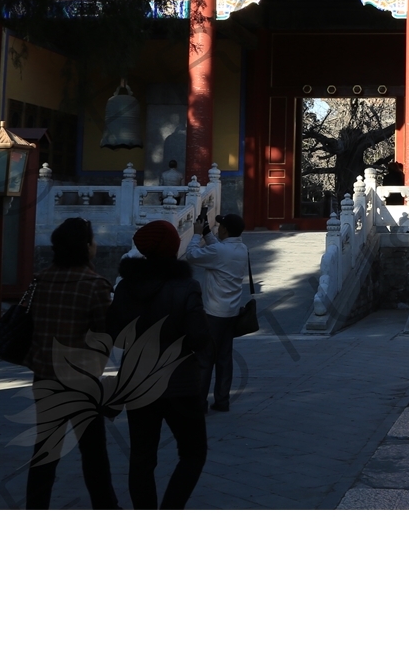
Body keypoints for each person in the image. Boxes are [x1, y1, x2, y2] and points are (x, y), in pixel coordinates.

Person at [105, 218, 208, 508]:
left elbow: (114, 334)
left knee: (141, 458)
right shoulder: (186, 287)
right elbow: (198, 336)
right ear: (173, 247)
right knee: (193, 453)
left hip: (138, 384)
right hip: (180, 383)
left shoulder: (126, 287)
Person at [24, 217, 118, 510]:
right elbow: (107, 333)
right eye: (92, 239)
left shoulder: (39, 280)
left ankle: (35, 508)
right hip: (81, 381)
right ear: (85, 247)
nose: (96, 244)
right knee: (94, 455)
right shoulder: (94, 285)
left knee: (45, 450)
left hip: (45, 377)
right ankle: (106, 508)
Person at [187, 211, 250, 412]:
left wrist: (197, 234)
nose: (218, 228)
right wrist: (206, 232)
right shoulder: (241, 248)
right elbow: (218, 249)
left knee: (205, 360)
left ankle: (199, 403)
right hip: (231, 312)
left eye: (219, 226)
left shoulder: (221, 252)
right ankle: (222, 400)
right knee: (224, 358)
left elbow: (191, 255)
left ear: (224, 229)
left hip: (213, 312)